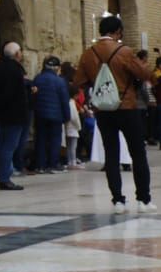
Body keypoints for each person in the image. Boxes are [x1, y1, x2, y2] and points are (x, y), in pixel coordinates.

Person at [76, 15, 153, 211]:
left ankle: (118, 199)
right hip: (126, 106)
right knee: (138, 153)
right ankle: (143, 199)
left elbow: (78, 82)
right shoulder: (124, 51)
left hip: (103, 109)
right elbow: (143, 74)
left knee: (111, 154)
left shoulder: (88, 53)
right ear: (118, 31)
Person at [0, 44, 29, 190]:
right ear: (17, 54)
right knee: (9, 146)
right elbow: (10, 93)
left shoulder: (0, 68)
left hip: (4, 113)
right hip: (13, 114)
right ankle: (4, 177)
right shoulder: (14, 70)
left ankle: (4, 175)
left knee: (5, 145)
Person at [31, 56, 70, 174]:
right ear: (57, 68)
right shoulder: (60, 81)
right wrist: (67, 116)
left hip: (40, 114)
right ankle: (53, 164)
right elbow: (64, 100)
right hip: (56, 115)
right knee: (55, 140)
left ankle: (40, 165)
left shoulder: (37, 79)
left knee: (41, 139)